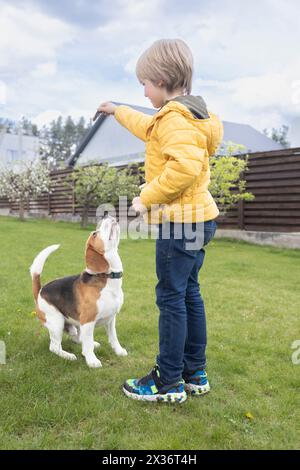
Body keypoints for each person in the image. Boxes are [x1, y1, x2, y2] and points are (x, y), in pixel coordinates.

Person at [97, 38, 223, 404]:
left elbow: (183, 169)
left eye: (145, 84)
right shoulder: (187, 117)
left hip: (180, 225)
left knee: (171, 298)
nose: (144, 91)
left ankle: (168, 382)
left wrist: (145, 197)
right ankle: (194, 373)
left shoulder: (174, 119)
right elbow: (148, 127)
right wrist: (117, 110)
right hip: (200, 222)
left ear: (163, 79)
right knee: (188, 293)